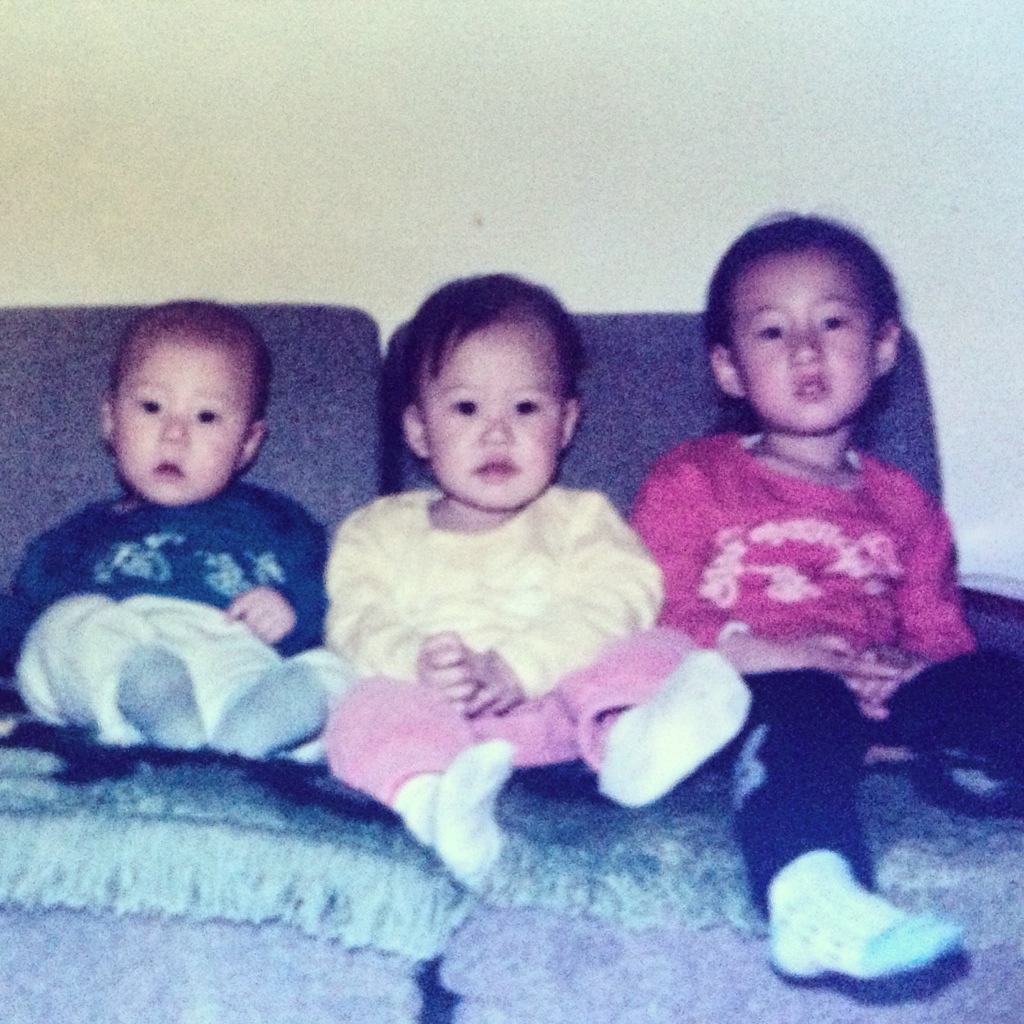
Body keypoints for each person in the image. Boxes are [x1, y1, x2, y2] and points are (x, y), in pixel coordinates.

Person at [631, 213, 1024, 982]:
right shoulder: (694, 478)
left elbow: (939, 629)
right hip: (747, 689)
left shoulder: (904, 503)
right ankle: (811, 894)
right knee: (808, 700)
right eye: (772, 331)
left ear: (883, 348)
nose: (805, 350)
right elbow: (651, 614)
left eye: (833, 322)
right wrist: (774, 653)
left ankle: (975, 763)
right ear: (729, 369)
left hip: (879, 694)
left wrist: (909, 668)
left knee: (995, 678)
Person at [322, 273, 750, 888]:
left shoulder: (581, 520)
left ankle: (634, 748)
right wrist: (417, 665)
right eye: (466, 408)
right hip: (438, 716)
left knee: (660, 646)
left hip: (566, 708)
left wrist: (518, 668)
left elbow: (616, 600)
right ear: (418, 430)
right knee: (360, 705)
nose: (497, 431)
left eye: (525, 408)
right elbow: (353, 621)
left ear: (565, 423)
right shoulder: (377, 531)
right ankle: (436, 804)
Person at [8, 301, 353, 758]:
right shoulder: (80, 534)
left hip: (230, 654)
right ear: (110, 421)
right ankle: (148, 698)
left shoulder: (279, 522)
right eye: (152, 407)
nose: (174, 433)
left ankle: (257, 727)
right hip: (122, 658)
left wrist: (292, 613)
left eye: (206, 416)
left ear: (247, 444)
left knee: (336, 672)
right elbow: (22, 614)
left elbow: (333, 597)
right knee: (64, 627)